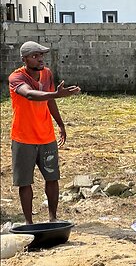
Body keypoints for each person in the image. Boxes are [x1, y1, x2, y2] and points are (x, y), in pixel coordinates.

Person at [8, 41, 81, 224]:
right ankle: (29, 223)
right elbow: (30, 94)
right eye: (35, 56)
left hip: (46, 136)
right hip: (23, 138)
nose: (40, 59)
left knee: (52, 177)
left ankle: (53, 218)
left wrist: (61, 124)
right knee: (25, 182)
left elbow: (49, 101)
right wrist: (55, 94)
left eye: (41, 55)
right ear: (24, 59)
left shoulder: (47, 74)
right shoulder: (16, 78)